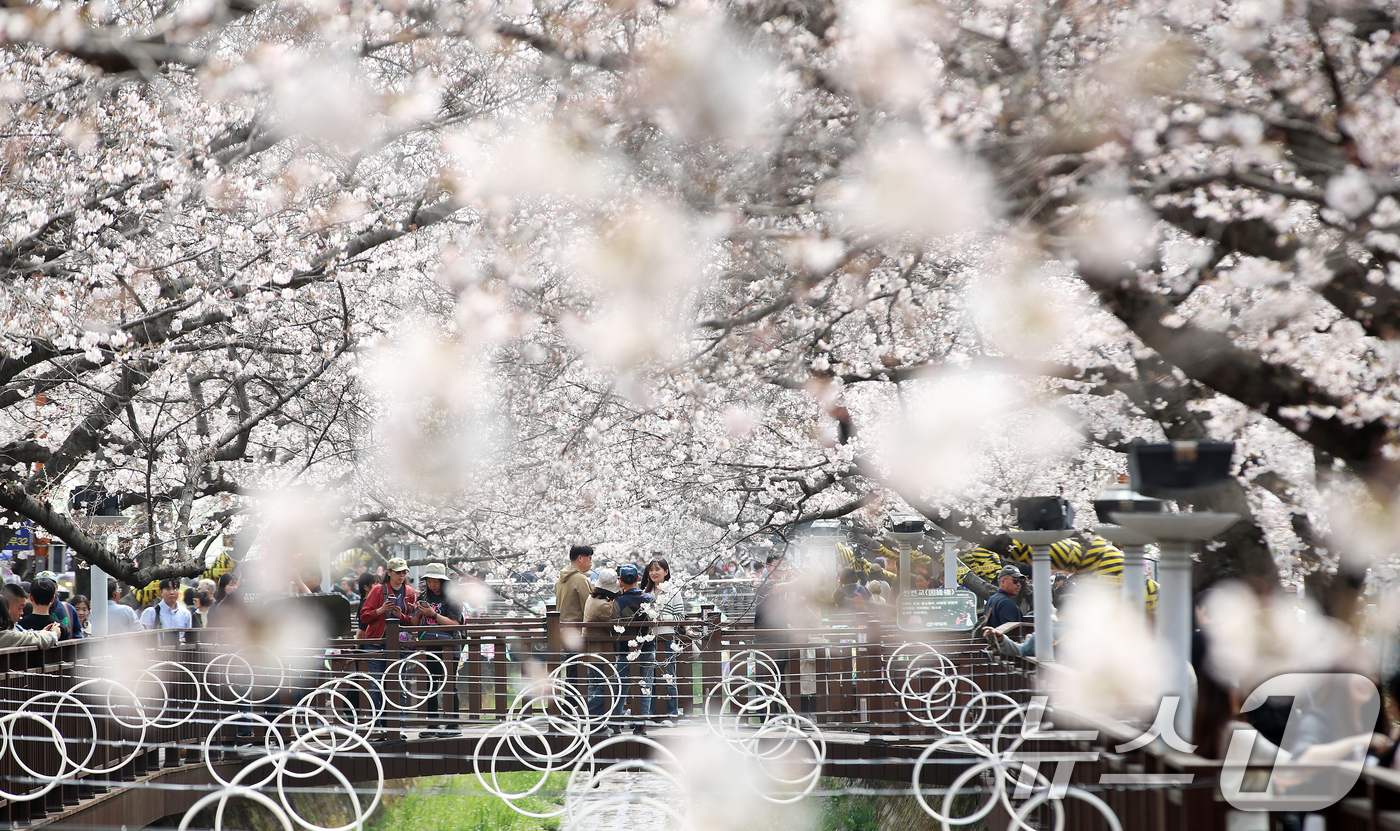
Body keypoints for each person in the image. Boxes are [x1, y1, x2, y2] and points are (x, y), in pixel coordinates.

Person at [358, 556, 417, 733]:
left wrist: (402, 616)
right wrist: (381, 610)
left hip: (401, 645)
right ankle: (376, 724)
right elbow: (364, 616)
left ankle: (398, 724)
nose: (401, 575)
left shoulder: (410, 593)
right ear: (389, 573)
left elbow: (413, 623)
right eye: (398, 572)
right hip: (376, 643)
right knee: (375, 686)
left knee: (400, 686)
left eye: (404, 572)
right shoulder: (377, 590)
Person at [411, 562, 463, 737]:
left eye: (436, 581)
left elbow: (454, 624)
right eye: (429, 581)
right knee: (430, 684)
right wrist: (418, 612)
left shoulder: (453, 597)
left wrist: (433, 614)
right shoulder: (424, 594)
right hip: (429, 644)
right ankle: (432, 724)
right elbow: (414, 623)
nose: (432, 585)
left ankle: (453, 725)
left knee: (449, 684)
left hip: (450, 645)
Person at [641, 557, 685, 725]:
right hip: (649, 638)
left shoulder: (674, 591)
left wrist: (661, 617)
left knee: (669, 675)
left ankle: (671, 713)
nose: (654, 573)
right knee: (648, 676)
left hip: (667, 637)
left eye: (657, 569)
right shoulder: (645, 592)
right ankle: (650, 714)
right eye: (651, 570)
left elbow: (680, 616)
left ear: (666, 572)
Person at [613, 564, 655, 736]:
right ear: (638, 579)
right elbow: (654, 621)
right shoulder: (650, 598)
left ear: (620, 581)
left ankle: (616, 722)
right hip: (647, 647)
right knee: (645, 685)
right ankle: (641, 724)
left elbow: (615, 626)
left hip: (625, 649)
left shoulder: (618, 602)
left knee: (620, 687)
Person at [555, 545, 593, 683]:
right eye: (589, 558)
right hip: (577, 631)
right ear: (580, 558)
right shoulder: (581, 580)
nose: (591, 562)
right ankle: (574, 702)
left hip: (563, 630)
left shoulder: (560, 580)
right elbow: (589, 608)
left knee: (572, 668)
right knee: (579, 671)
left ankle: (569, 702)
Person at [981, 565, 1025, 637]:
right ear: (1003, 582)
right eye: (1015, 581)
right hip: (1005, 646)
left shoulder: (993, 598)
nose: (1018, 584)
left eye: (1020, 581)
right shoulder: (1006, 603)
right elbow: (1012, 635)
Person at [36, 572, 83, 639]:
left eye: (50, 584)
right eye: (41, 585)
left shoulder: (68, 608)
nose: (46, 588)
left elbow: (77, 635)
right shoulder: (27, 608)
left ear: (56, 587)